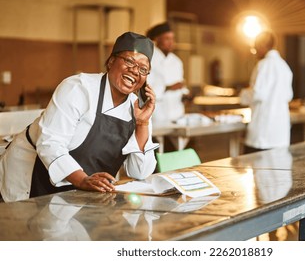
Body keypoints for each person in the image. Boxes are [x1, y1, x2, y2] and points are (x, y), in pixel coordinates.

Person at [0, 31, 159, 202]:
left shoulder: (138, 108)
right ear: (111, 61)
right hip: (31, 176)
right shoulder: (78, 89)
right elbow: (50, 144)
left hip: (82, 190)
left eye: (143, 69)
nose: (135, 71)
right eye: (129, 61)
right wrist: (82, 179)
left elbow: (139, 173)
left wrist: (142, 123)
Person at [242, 31, 293, 153]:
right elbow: (289, 96)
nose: (255, 52)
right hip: (280, 133)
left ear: (262, 46)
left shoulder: (264, 65)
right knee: (279, 170)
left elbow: (257, 94)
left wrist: (243, 94)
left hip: (263, 134)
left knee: (260, 170)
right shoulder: (284, 66)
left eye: (255, 48)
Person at [146, 22, 189, 124]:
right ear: (157, 39)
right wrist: (168, 88)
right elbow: (145, 89)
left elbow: (181, 86)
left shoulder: (177, 61)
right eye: (167, 39)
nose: (171, 42)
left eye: (172, 39)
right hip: (158, 113)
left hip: (177, 112)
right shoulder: (148, 59)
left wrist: (186, 95)